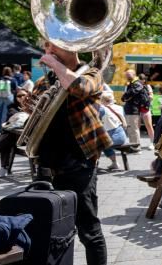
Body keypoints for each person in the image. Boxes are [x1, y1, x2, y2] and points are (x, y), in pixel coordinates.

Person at [35, 40, 112, 265]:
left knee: (89, 230)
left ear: (73, 47)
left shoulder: (92, 73)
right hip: (47, 164)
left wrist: (52, 63)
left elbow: (79, 87)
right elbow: (38, 113)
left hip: (79, 162)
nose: (48, 52)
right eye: (46, 48)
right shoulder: (45, 80)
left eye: (53, 47)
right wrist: (29, 103)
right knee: (52, 230)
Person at [98, 92, 127, 171]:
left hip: (111, 138)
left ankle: (94, 164)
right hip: (122, 137)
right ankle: (114, 163)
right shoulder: (120, 107)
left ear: (102, 100)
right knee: (105, 143)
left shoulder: (102, 109)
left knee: (98, 144)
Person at [121, 69, 146, 150]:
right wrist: (125, 97)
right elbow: (126, 96)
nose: (127, 76)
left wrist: (124, 97)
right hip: (130, 109)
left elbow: (129, 94)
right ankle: (133, 146)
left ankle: (136, 147)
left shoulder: (137, 84)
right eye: (126, 74)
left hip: (133, 110)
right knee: (130, 129)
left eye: (129, 74)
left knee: (134, 129)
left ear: (134, 74)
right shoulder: (132, 84)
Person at [0, 67, 17, 132]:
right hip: (8, 97)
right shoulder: (12, 80)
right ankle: (2, 128)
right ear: (10, 72)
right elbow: (15, 89)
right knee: (5, 112)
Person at [138, 73, 156, 149]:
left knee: (149, 126)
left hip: (145, 109)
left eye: (142, 79)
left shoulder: (147, 86)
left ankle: (153, 143)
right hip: (137, 110)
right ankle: (137, 143)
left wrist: (146, 99)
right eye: (140, 79)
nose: (141, 81)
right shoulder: (135, 86)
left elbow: (152, 97)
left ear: (145, 80)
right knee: (137, 127)